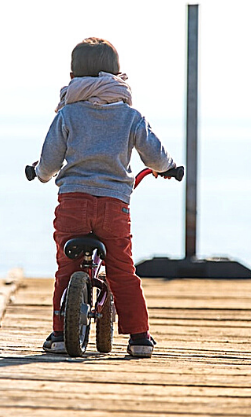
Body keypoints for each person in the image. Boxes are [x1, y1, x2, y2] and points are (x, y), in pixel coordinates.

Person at [32, 37, 176, 358]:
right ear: (117, 75)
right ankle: (139, 337)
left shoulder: (67, 115)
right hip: (114, 207)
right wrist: (170, 168)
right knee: (122, 269)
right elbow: (155, 157)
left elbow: (50, 161)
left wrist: (39, 174)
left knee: (66, 268)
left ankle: (59, 334)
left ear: (73, 77)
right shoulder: (130, 116)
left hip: (73, 204)